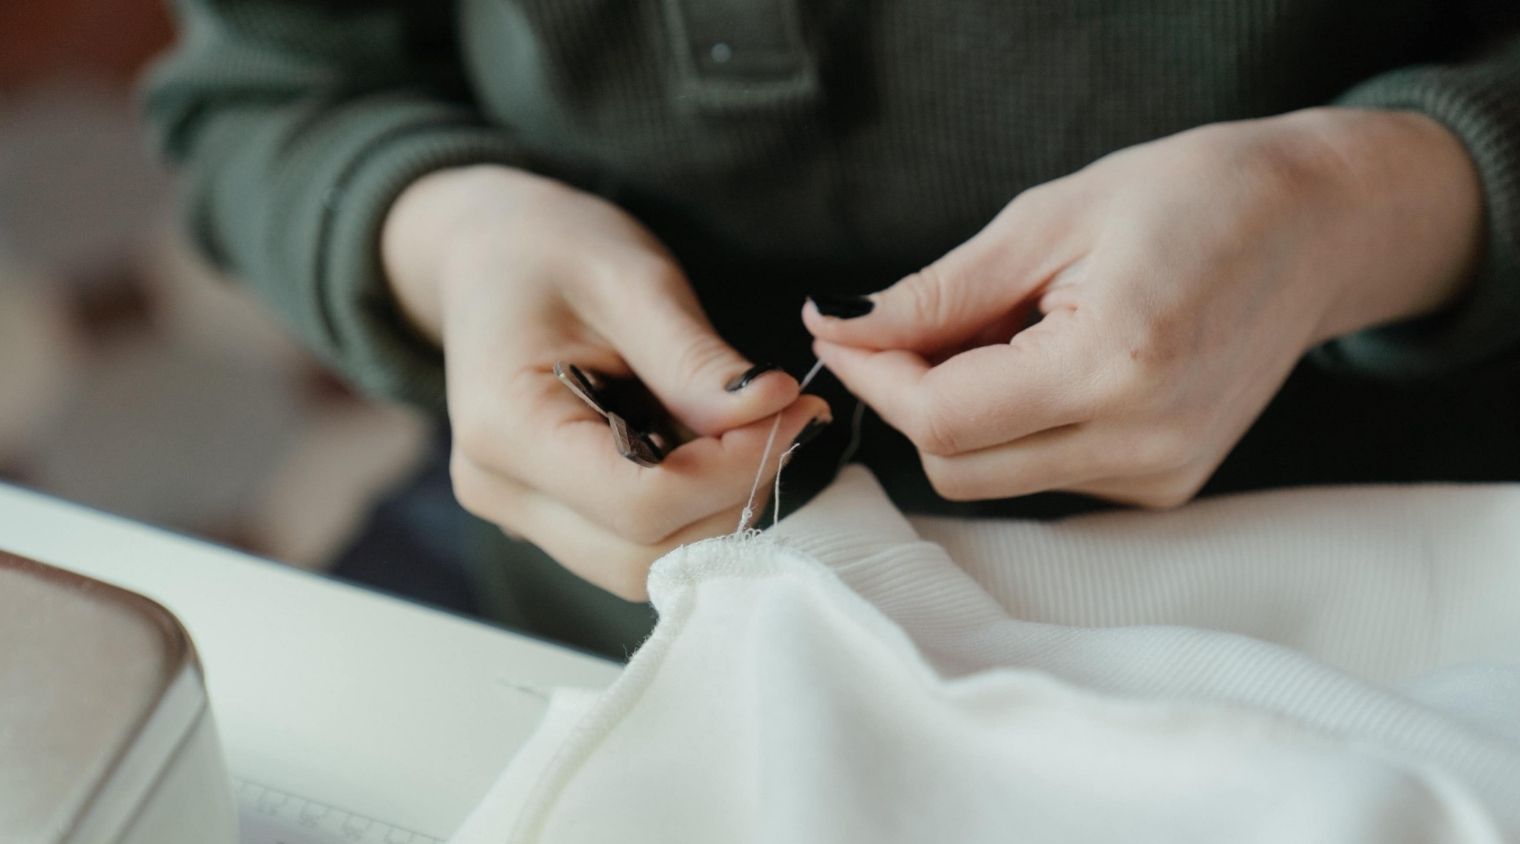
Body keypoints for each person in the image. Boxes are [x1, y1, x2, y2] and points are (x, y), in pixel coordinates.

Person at [144, 1, 1520, 656]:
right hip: (584, 611)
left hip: (1386, 592)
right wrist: (449, 237)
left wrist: (1376, 202)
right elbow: (263, 92)